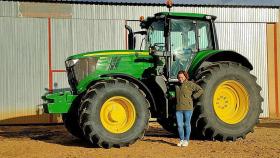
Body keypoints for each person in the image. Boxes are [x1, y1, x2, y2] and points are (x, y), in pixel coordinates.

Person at [175, 70, 203, 147]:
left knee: (187, 124)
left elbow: (200, 90)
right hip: (178, 109)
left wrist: (194, 96)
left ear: (185, 77)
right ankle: (181, 140)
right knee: (180, 125)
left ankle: (186, 140)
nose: (180, 79)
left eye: (182, 77)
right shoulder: (176, 86)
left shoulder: (190, 84)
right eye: (179, 77)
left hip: (188, 108)